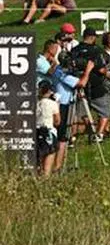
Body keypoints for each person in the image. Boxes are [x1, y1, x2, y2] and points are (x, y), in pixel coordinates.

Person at [36, 39, 80, 167]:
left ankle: (52, 163)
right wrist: (57, 63)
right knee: (56, 130)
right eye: (56, 49)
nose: (57, 51)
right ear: (50, 49)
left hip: (50, 96)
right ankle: (53, 164)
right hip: (43, 96)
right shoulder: (40, 61)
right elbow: (51, 72)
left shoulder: (47, 61)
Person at [74, 27, 110, 142]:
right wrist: (108, 73)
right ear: (92, 37)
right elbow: (101, 69)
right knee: (106, 112)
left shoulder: (75, 50)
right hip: (96, 86)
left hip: (80, 85)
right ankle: (99, 134)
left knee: (83, 112)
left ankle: (91, 131)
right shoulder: (96, 50)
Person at [35, 81, 60, 176]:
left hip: (37, 131)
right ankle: (46, 177)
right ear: (50, 91)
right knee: (50, 154)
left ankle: (39, 175)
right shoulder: (53, 104)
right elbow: (57, 121)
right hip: (49, 132)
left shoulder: (36, 104)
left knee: (39, 157)